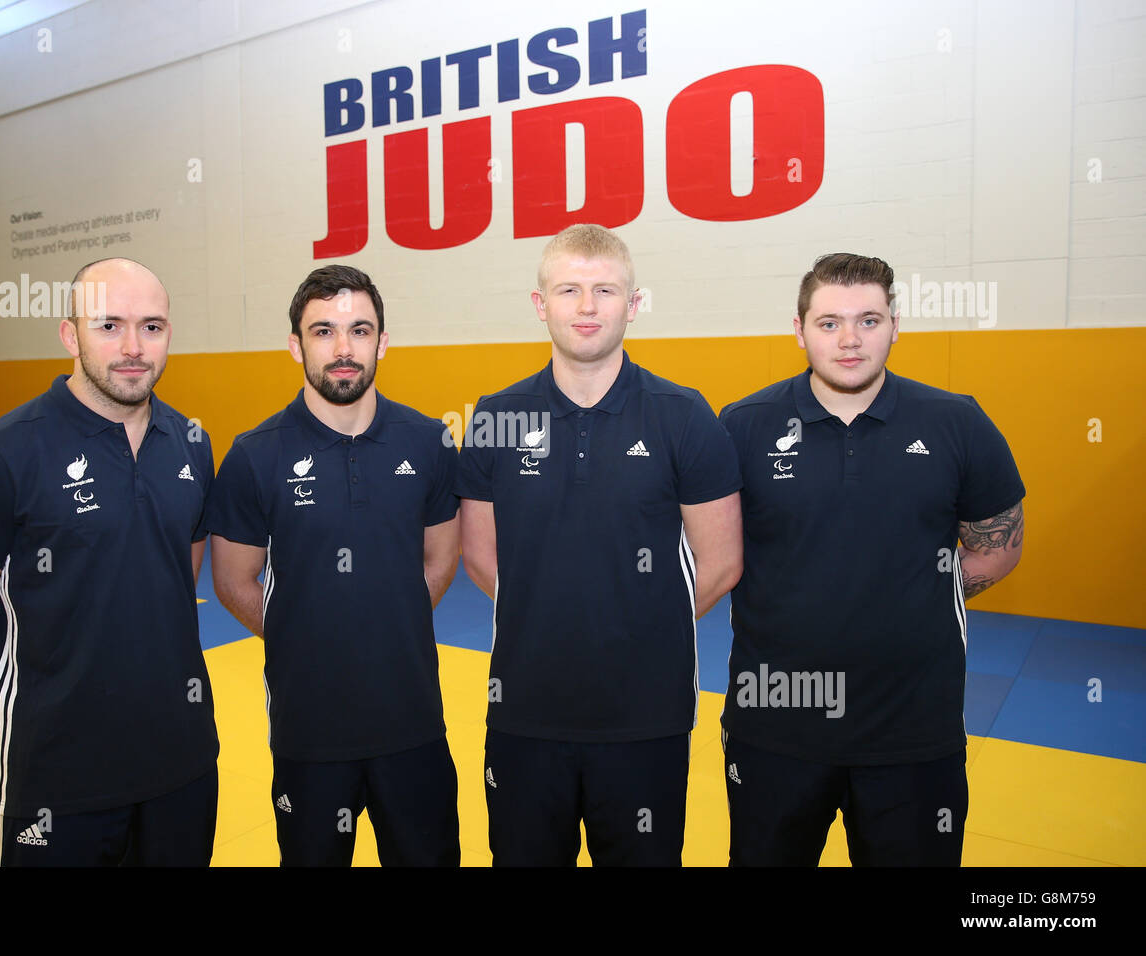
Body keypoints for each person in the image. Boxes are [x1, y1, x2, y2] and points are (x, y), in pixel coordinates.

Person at [718, 252, 1026, 866]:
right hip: (774, 725)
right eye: (829, 323)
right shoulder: (743, 426)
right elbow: (712, 550)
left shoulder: (956, 422)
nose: (850, 339)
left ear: (895, 323)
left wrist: (913, 595)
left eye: (869, 320)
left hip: (914, 730)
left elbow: (998, 548)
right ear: (799, 328)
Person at [0, 257, 220, 866]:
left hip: (181, 767)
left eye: (152, 327)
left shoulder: (191, 442)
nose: (133, 347)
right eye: (109, 325)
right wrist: (18, 728)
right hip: (55, 783)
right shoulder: (0, 452)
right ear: (69, 334)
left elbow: (174, 580)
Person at [456, 224, 744, 866]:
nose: (587, 307)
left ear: (633, 304)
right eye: (569, 290)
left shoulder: (684, 416)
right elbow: (480, 556)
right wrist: (552, 620)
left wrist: (636, 624)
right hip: (524, 713)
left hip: (647, 716)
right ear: (541, 305)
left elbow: (722, 563)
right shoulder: (496, 418)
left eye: (605, 290)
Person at [206, 265, 461, 867]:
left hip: (414, 723)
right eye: (324, 331)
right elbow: (232, 580)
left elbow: (442, 557)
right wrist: (305, 638)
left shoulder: (427, 442)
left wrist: (384, 627)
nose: (343, 349)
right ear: (295, 345)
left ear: (383, 342)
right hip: (308, 732)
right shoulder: (254, 455)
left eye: (359, 330)